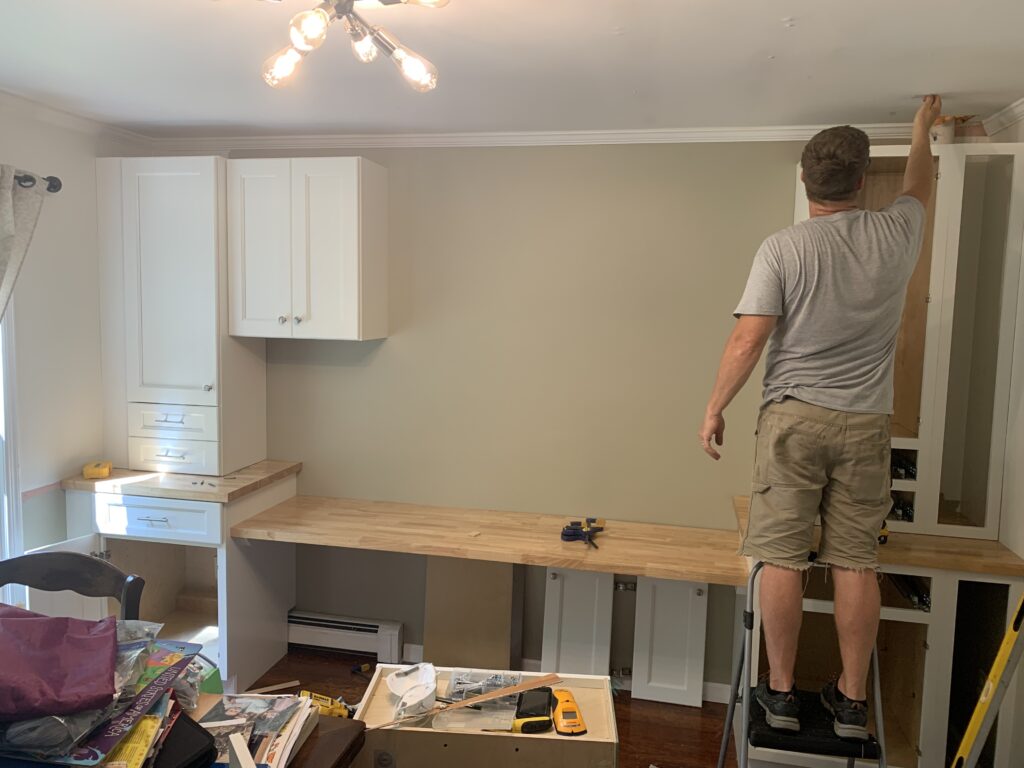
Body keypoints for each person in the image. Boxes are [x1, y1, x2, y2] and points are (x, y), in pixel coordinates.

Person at [698, 95, 942, 739]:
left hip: (793, 421)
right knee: (856, 560)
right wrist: (921, 129)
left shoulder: (783, 249)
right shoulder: (898, 231)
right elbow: (920, 181)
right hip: (866, 423)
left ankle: (779, 693)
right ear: (862, 182)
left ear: (806, 181)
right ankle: (852, 698)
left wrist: (714, 408)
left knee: (781, 556)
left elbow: (748, 341)